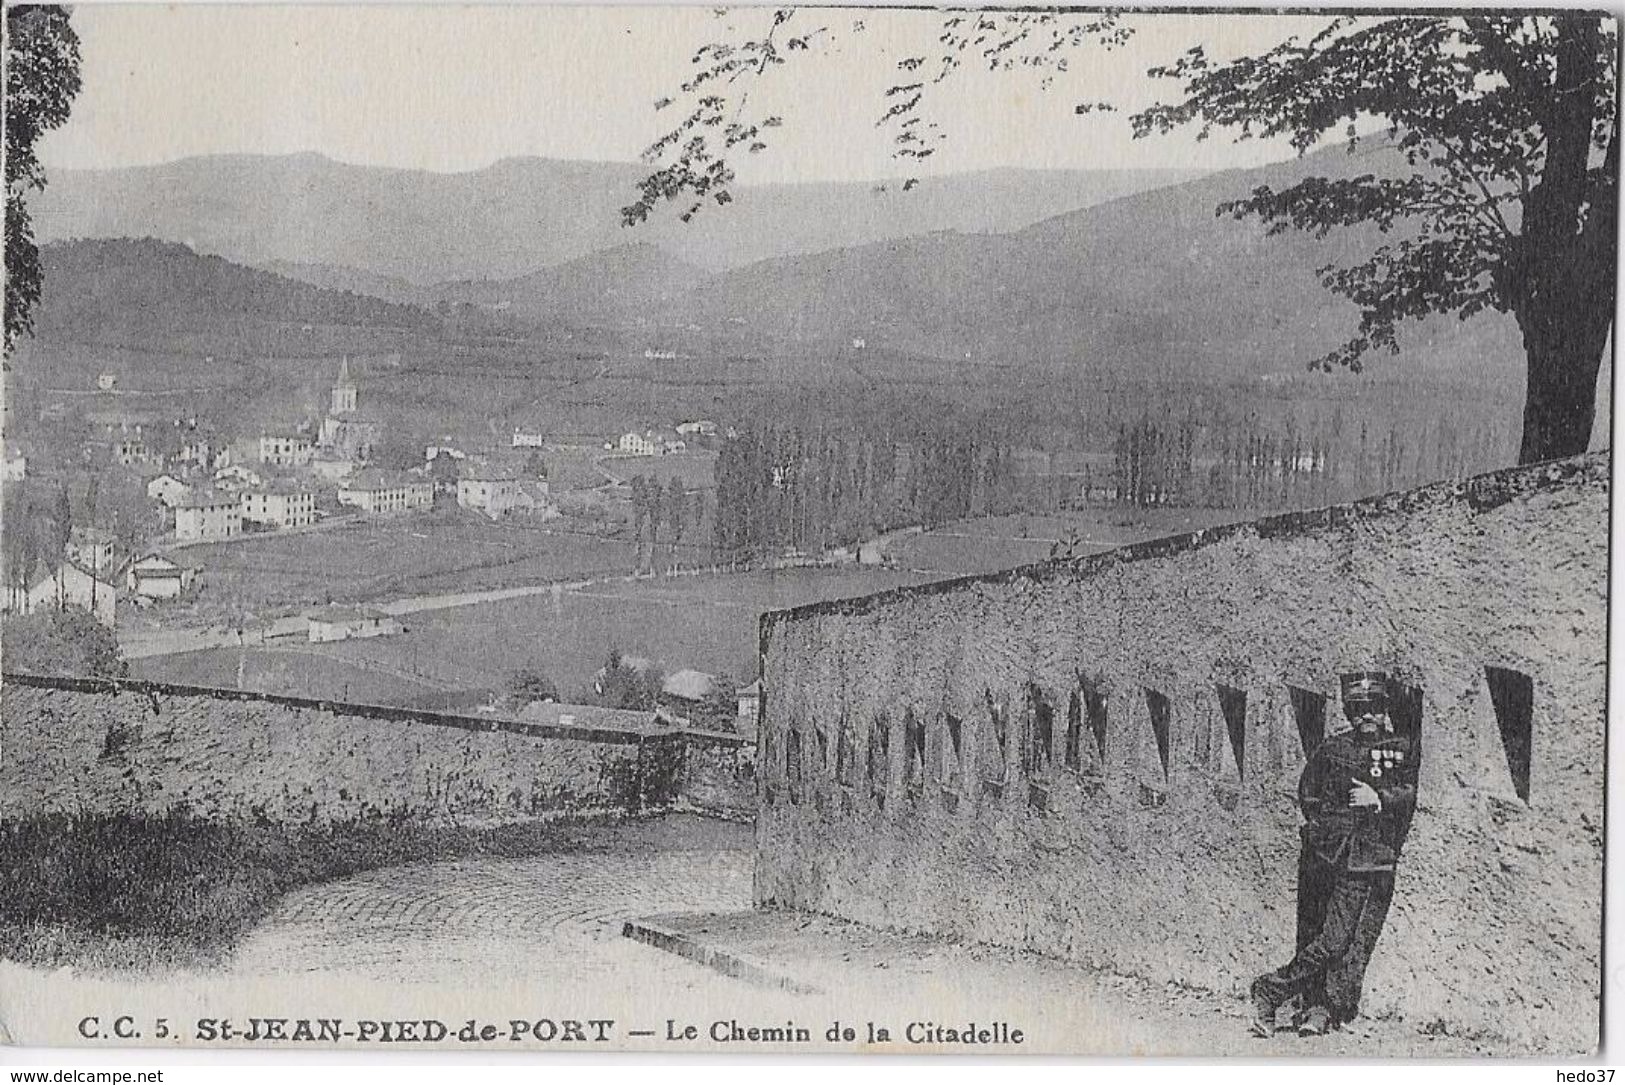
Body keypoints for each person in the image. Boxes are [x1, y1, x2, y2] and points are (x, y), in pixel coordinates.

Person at [1250, 671, 1419, 1037]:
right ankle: (1300, 1002)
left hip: (1369, 860)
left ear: (1385, 708)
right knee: (1324, 936)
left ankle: (1285, 994)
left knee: (1345, 942)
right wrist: (1328, 834)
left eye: (1373, 708)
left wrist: (1380, 799)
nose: (1366, 717)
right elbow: (1309, 794)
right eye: (1358, 710)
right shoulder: (1333, 749)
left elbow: (1409, 790)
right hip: (1328, 857)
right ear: (1347, 712)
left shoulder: (1399, 747)